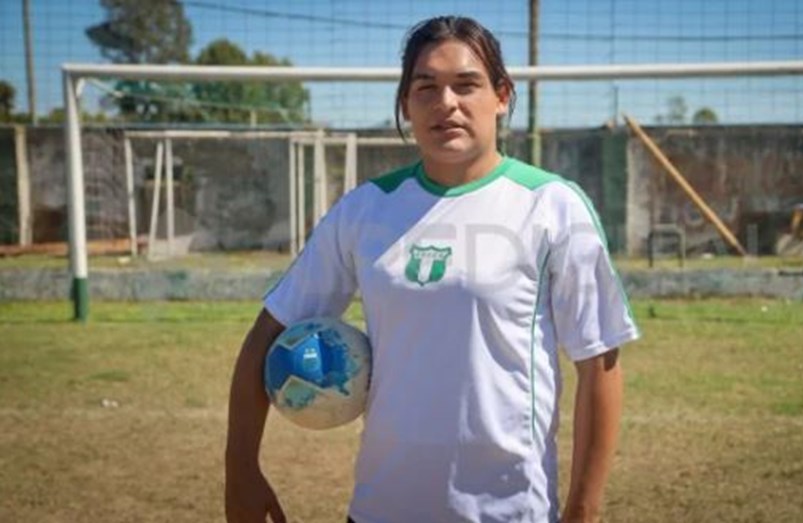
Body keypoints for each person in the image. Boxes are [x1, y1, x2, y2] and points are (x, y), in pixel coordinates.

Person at [225, 15, 639, 523]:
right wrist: (240, 469)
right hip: (379, 511)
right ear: (406, 103)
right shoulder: (365, 210)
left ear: (502, 95)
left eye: (466, 85)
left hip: (509, 512)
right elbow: (267, 336)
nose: (446, 102)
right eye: (426, 87)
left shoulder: (552, 205)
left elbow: (599, 364)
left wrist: (583, 511)